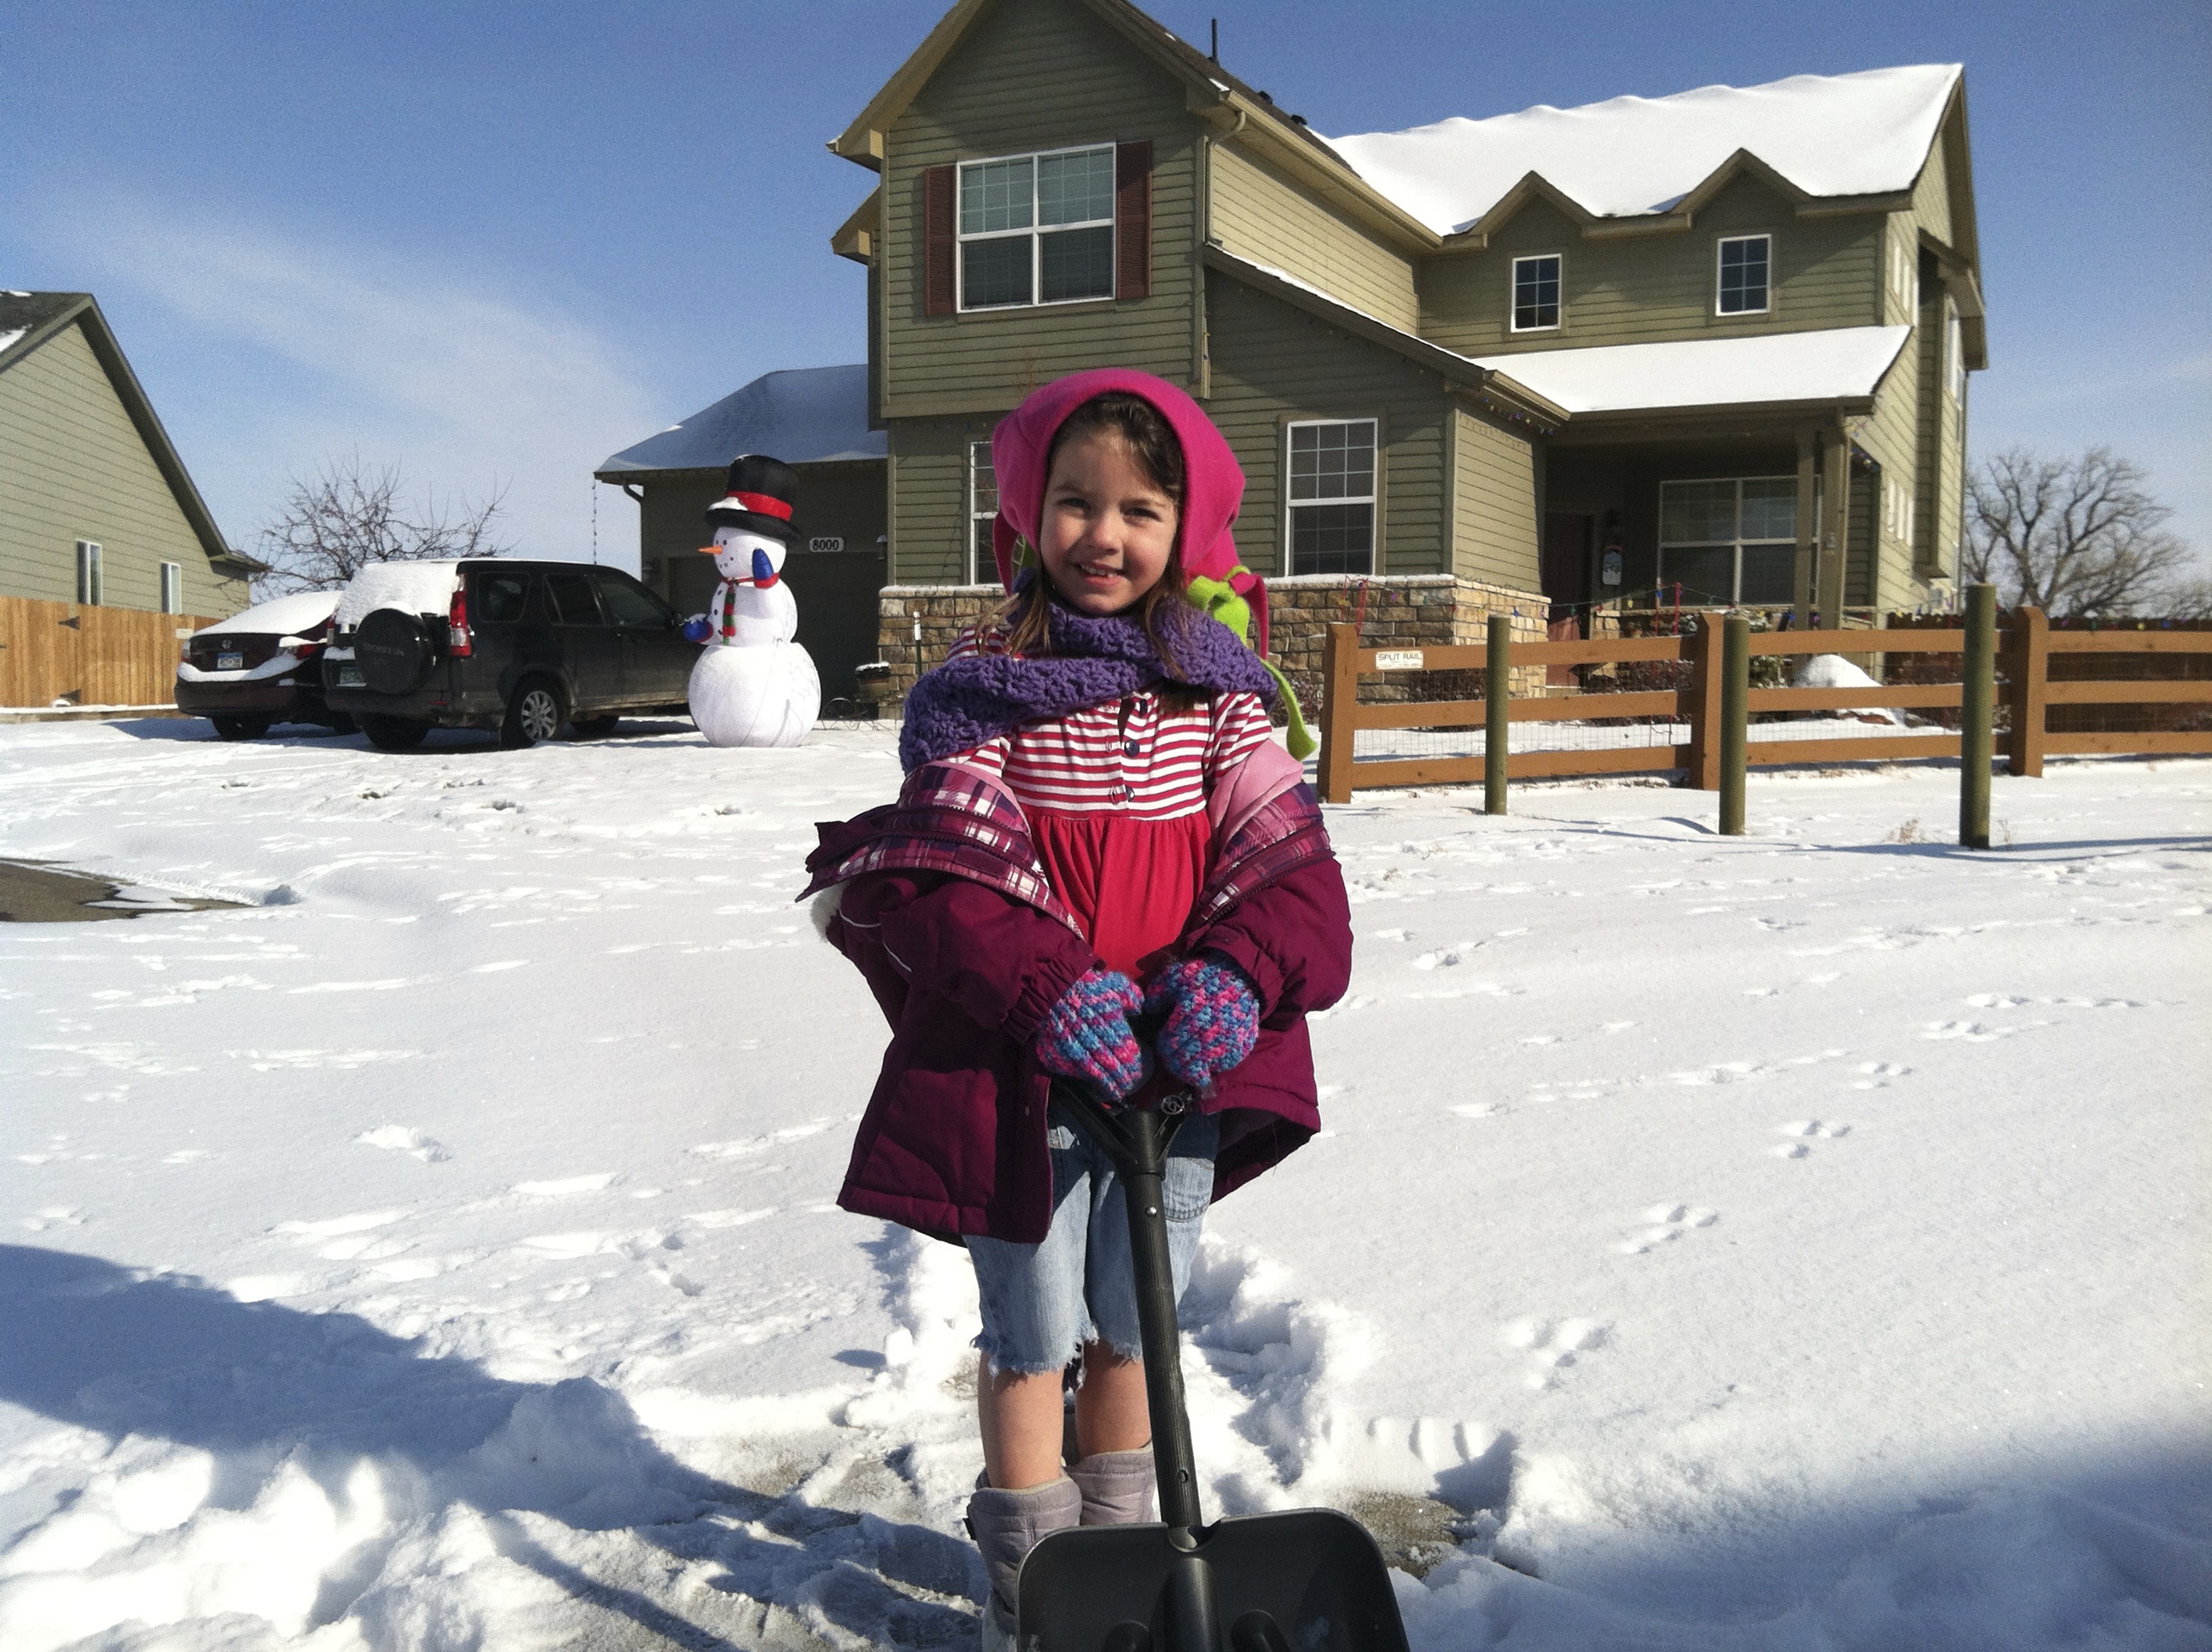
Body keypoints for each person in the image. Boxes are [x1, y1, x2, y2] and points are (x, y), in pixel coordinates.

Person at [799, 369, 1351, 1645]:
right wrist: (1049, 994)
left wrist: (1231, 974)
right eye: (1077, 503)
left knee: (1133, 1325)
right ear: (1028, 516)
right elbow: (942, 886)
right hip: (1023, 1069)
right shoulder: (984, 690)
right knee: (1034, 1331)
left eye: (1141, 510)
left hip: (1177, 1066)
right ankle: (1036, 1584)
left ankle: (1130, 1570)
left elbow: (1296, 877)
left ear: (1186, 527)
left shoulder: (1219, 703)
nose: (1105, 536)